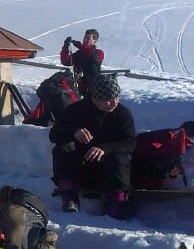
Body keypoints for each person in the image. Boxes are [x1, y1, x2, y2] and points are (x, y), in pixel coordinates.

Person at [49, 75, 136, 219]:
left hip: (110, 170)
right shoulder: (76, 110)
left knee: (119, 157)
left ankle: (116, 202)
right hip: (81, 167)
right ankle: (69, 197)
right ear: (95, 98)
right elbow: (54, 135)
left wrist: (105, 149)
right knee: (62, 148)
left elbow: (130, 143)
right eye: (107, 100)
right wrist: (73, 133)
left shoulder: (122, 114)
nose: (113, 103)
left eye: (116, 98)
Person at [60, 29, 104, 97]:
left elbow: (92, 57)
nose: (85, 40)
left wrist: (81, 46)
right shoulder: (79, 54)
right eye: (84, 38)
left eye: (88, 38)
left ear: (94, 41)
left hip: (93, 90)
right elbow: (65, 61)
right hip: (79, 89)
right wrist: (65, 47)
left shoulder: (99, 52)